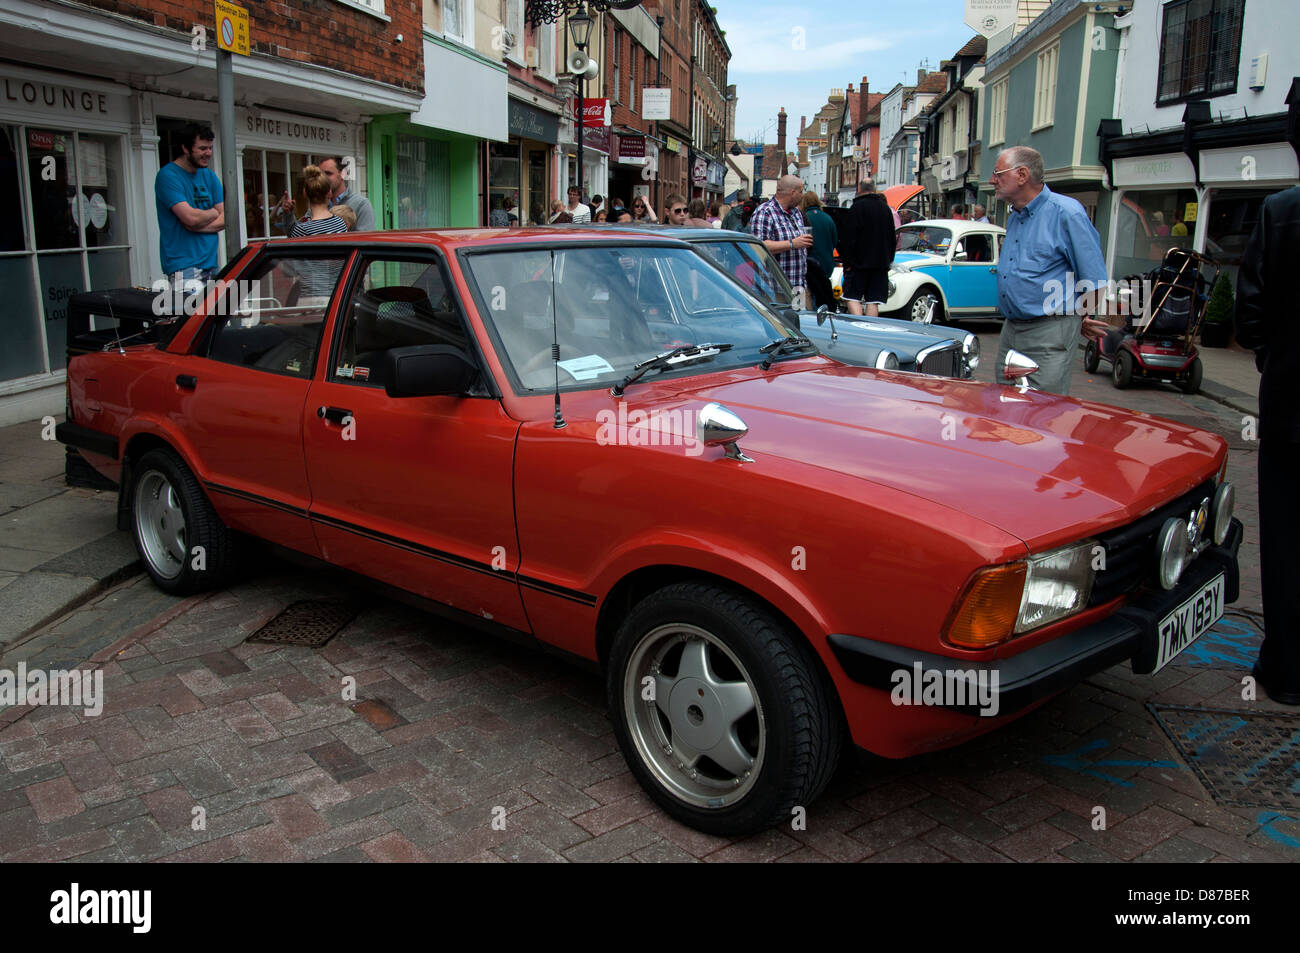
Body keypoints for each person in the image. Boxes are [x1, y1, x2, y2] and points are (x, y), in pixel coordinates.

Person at [1235, 184, 1300, 706]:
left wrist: (1272, 358)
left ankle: (1285, 666)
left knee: (1285, 536)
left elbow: (1250, 307)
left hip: (1291, 397)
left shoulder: (1282, 211)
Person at [990, 145, 1109, 395]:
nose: (993, 180)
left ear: (1022, 175)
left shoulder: (1067, 213)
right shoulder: (1016, 216)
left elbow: (1095, 279)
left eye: (999, 174)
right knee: (1003, 404)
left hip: (1048, 331)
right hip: (1012, 328)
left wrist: (1081, 316)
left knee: (1041, 410)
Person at [154, 123, 224, 287]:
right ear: (185, 148)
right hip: (183, 266)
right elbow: (190, 218)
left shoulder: (209, 175)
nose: (208, 153)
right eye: (202, 148)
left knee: (220, 312)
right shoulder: (168, 176)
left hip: (211, 264)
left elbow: (226, 217)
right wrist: (213, 212)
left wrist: (197, 225)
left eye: (210, 148)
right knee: (193, 312)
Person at [749, 175, 812, 308]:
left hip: (798, 284)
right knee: (780, 326)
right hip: (775, 287)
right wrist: (792, 243)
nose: (803, 195)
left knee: (798, 323)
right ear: (792, 192)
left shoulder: (796, 213)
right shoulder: (765, 212)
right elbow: (758, 245)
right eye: (801, 191)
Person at [838, 178, 895, 317]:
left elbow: (849, 238)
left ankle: (858, 326)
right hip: (880, 264)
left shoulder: (856, 208)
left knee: (852, 297)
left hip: (858, 264)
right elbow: (892, 237)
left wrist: (848, 262)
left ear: (859, 189)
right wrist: (888, 259)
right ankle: (869, 329)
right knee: (873, 301)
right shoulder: (885, 209)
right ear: (874, 188)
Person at [801, 191, 838, 311]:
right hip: (826, 262)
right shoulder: (828, 218)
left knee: (811, 292)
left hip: (810, 262)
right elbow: (834, 240)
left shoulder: (804, 217)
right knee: (823, 291)